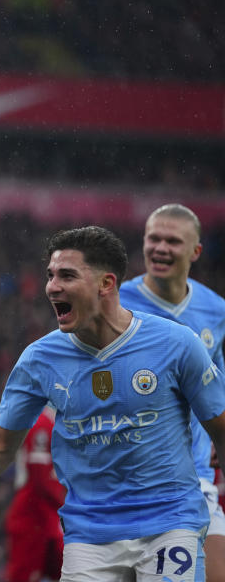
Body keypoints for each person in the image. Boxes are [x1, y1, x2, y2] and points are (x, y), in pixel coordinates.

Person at [0, 225, 225, 581]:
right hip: (90, 537)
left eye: (67, 275)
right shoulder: (40, 359)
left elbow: (220, 426)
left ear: (106, 284)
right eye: (50, 276)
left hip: (168, 524)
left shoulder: (175, 344)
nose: (52, 287)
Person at [120, 203, 225, 582]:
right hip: (127, 482)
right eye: (154, 238)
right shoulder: (116, 306)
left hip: (194, 477)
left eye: (172, 241)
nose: (160, 248)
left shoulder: (216, 310)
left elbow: (219, 381)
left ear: (195, 251)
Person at [4, 406, 65, 582]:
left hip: (47, 510)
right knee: (26, 575)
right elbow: (40, 476)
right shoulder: (41, 422)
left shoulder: (57, 420)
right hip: (34, 510)